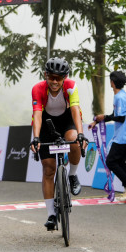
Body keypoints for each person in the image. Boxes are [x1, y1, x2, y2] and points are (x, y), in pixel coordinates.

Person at [30, 57, 87, 231]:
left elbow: (75, 110)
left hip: (66, 120)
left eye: (59, 78)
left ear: (65, 78)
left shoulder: (71, 86)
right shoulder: (38, 89)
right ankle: (51, 215)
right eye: (51, 77)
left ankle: (72, 175)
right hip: (46, 123)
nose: (55, 81)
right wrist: (36, 138)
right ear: (45, 75)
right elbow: (37, 114)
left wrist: (81, 134)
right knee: (48, 169)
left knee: (74, 140)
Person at [89, 70, 126, 201]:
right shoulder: (120, 95)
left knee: (111, 161)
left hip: (123, 136)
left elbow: (121, 118)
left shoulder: (119, 97)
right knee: (120, 163)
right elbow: (115, 115)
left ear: (113, 82)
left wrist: (104, 117)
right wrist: (98, 120)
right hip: (124, 135)